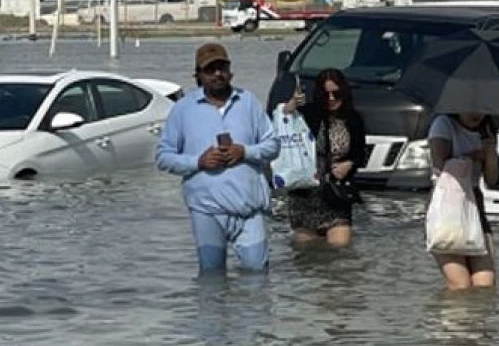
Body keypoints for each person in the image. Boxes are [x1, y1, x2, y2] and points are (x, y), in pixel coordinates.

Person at [156, 43, 280, 273]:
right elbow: (163, 157)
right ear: (198, 75)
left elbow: (273, 145)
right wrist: (198, 162)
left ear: (230, 71)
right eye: (210, 70)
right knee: (211, 279)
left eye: (222, 68)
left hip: (249, 209)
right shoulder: (183, 109)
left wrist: (245, 152)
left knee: (257, 277)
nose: (217, 74)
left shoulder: (248, 102)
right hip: (206, 210)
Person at [282, 69, 367, 247]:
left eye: (336, 94)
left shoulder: (353, 119)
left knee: (340, 251)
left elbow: (360, 155)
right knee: (306, 254)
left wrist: (349, 164)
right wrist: (289, 107)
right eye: (325, 94)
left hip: (336, 193)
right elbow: (282, 126)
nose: (331, 99)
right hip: (305, 194)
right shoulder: (308, 114)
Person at [428, 112, 499, 290]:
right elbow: (439, 167)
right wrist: (475, 155)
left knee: (485, 284)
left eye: (481, 108)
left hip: (475, 202)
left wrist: (491, 154)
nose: (476, 114)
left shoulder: (487, 130)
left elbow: (492, 180)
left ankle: (478, 318)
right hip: (447, 203)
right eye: (471, 108)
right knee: (460, 284)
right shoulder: (443, 124)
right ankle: (451, 317)